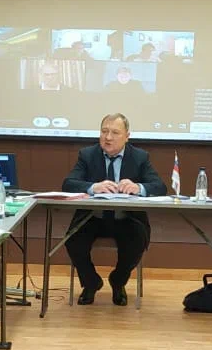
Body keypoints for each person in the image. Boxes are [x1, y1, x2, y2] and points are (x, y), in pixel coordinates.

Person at [62, 113, 166, 306]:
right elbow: (68, 184)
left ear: (127, 136)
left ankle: (118, 281)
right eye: (104, 131)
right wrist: (93, 187)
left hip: (126, 219)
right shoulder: (87, 155)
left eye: (115, 133)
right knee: (73, 240)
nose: (108, 137)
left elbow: (159, 187)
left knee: (137, 241)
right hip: (92, 218)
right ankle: (91, 283)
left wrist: (138, 188)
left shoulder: (140, 157)